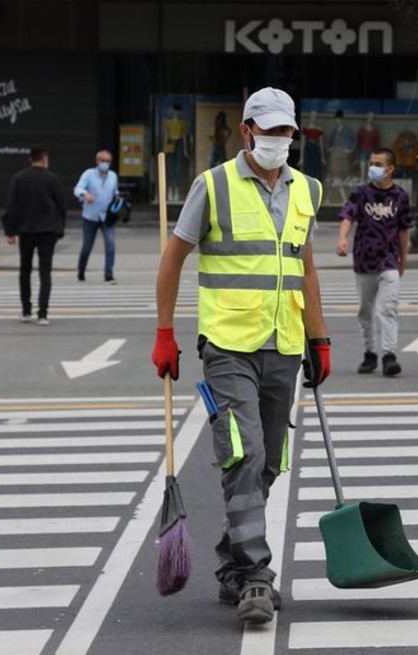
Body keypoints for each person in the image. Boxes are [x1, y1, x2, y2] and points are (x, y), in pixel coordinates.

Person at [152, 87, 330, 625]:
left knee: (268, 462)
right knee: (243, 455)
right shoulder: (213, 185)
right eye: (269, 130)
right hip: (228, 347)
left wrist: (319, 338)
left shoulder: (308, 189)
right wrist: (165, 332)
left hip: (284, 346)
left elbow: (306, 266)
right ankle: (256, 577)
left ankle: (232, 563)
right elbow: (173, 258)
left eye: (286, 131)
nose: (279, 139)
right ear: (248, 131)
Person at [337, 148, 412, 377]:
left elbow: (403, 230)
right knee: (365, 311)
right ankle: (369, 353)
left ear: (390, 169)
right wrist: (342, 238)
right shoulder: (361, 193)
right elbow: (348, 216)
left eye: (378, 164)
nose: (373, 168)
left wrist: (403, 259)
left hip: (388, 260)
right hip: (364, 260)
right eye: (372, 163)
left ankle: (389, 356)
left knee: (387, 309)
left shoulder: (400, 196)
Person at [2, 146, 66, 326]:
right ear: (44, 159)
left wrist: (9, 231)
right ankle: (43, 314)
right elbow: (61, 205)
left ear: (31, 159)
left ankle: (26, 310)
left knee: (25, 270)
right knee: (45, 272)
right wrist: (59, 228)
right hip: (48, 230)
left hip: (26, 230)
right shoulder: (52, 178)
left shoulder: (19, 178)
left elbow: (11, 205)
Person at [74, 150, 119, 283]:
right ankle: (81, 270)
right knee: (87, 246)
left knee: (111, 245)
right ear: (97, 161)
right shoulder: (89, 174)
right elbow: (77, 189)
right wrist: (85, 194)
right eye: (102, 160)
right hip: (90, 216)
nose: (105, 163)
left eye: (108, 161)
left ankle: (108, 274)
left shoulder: (113, 176)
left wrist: (118, 200)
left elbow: (115, 192)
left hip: (106, 217)